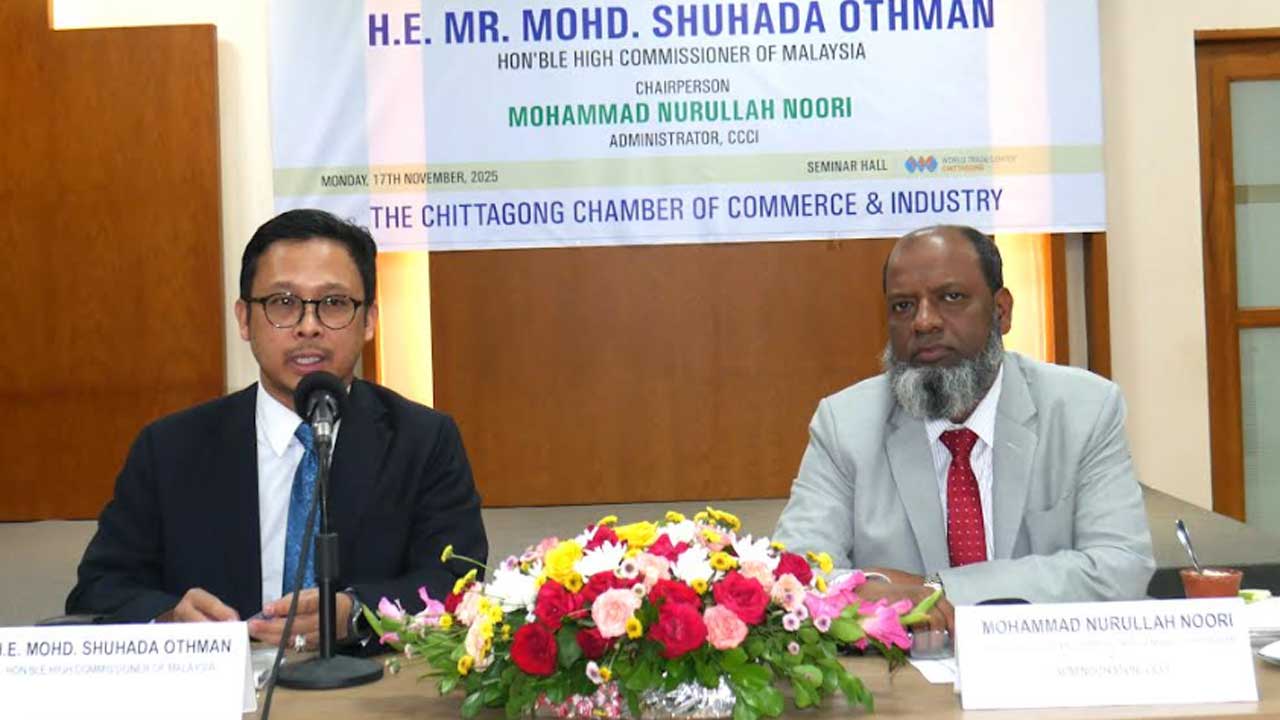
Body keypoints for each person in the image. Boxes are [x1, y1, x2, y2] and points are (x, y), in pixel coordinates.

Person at [67, 209, 488, 649]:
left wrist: (357, 614)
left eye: (334, 303)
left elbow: (457, 581)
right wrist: (169, 617)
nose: (308, 326)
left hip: (369, 683)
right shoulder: (170, 448)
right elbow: (99, 588)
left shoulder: (423, 441)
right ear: (244, 319)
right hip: (223, 684)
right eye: (283, 303)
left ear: (368, 321)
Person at [773, 225, 1154, 633]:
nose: (923, 322)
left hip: (1048, 660)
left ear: (1001, 311)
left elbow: (1120, 568)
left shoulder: (1084, 409)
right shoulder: (845, 423)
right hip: (902, 667)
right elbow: (793, 578)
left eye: (951, 298)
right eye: (903, 306)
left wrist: (934, 590)